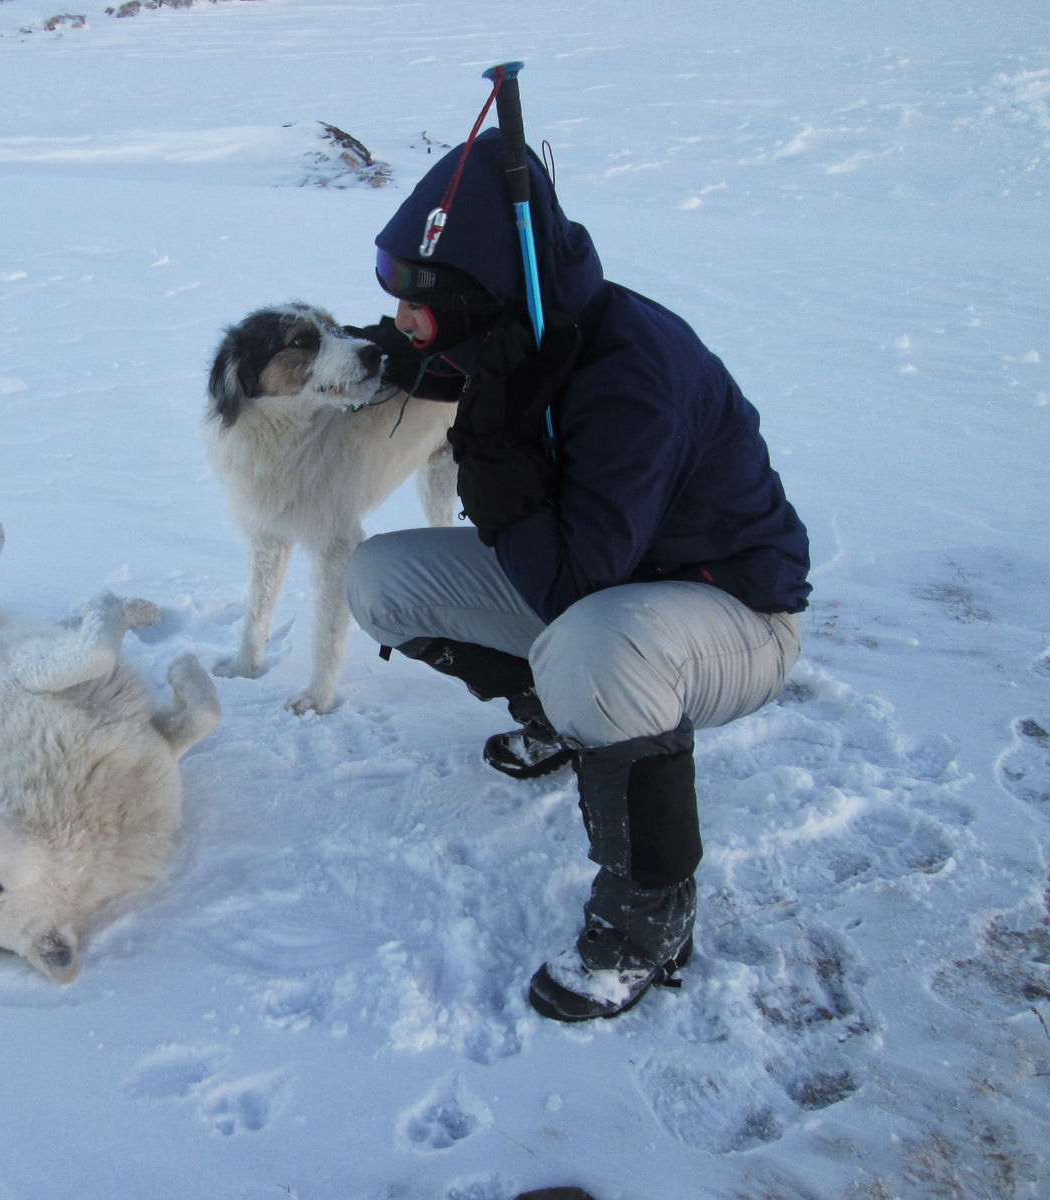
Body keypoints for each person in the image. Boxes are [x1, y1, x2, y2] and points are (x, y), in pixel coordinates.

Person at [342, 128, 810, 1022]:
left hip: (735, 615)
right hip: (608, 602)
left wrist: (496, 457)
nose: (403, 316)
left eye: (419, 300)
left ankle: (648, 922)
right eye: (391, 289)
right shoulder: (514, 337)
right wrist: (391, 353)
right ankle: (564, 720)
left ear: (482, 295)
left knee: (594, 647)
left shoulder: (633, 379)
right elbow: (442, 358)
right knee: (379, 580)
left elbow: (571, 587)